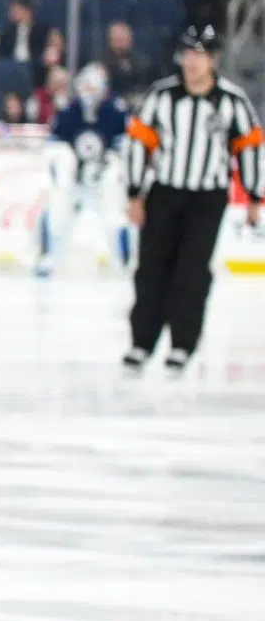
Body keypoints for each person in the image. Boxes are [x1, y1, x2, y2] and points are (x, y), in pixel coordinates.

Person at [121, 26, 264, 370]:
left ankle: (183, 344)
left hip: (207, 199)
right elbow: (139, 144)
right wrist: (135, 193)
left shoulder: (232, 101)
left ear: (213, 59)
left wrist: (254, 196)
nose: (192, 62)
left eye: (199, 55)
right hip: (165, 193)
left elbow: (248, 148)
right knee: (151, 268)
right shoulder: (161, 96)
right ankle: (142, 342)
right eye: (187, 54)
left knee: (192, 271)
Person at [38, 64, 132, 276]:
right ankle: (49, 256)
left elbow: (125, 145)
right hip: (74, 178)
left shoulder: (116, 111)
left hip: (102, 177)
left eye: (94, 87)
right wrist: (65, 164)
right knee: (58, 210)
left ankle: (124, 260)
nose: (89, 93)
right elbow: (54, 144)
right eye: (86, 87)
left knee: (114, 215)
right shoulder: (69, 111)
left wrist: (111, 164)